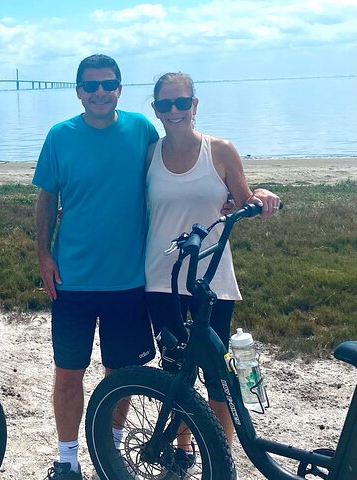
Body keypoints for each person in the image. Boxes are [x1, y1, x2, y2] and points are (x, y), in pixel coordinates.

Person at [33, 54, 159, 480]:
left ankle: (112, 451)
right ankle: (67, 459)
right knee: (69, 373)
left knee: (121, 374)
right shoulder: (60, 136)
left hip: (129, 280)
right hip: (73, 280)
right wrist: (44, 255)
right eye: (91, 86)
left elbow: (174, 172)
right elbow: (46, 199)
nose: (100, 92)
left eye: (108, 84)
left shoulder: (142, 129)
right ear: (79, 92)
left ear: (120, 89)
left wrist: (229, 188)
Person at [144, 72, 280, 463]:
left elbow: (244, 200)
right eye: (165, 104)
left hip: (211, 279)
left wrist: (263, 195)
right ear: (156, 110)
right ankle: (184, 447)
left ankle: (222, 456)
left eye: (181, 102)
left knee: (219, 379)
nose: (174, 111)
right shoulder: (150, 153)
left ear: (194, 105)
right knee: (175, 372)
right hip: (160, 277)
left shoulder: (219, 150)